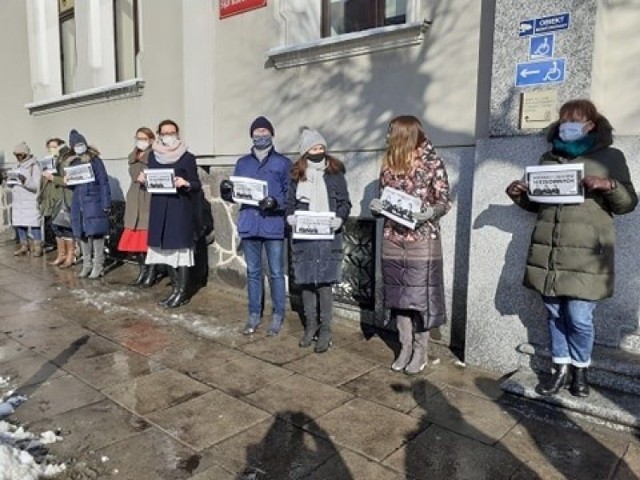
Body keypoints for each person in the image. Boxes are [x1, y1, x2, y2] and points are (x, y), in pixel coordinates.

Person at [506, 99, 637, 398]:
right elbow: (537, 204)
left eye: (575, 120)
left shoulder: (610, 156)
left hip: (586, 254)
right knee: (554, 313)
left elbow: (629, 203)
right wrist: (519, 194)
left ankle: (581, 369)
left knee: (579, 316)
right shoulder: (548, 158)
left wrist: (609, 185)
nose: (567, 126)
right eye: (564, 120)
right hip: (550, 251)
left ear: (591, 124)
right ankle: (560, 369)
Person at [370, 115, 451, 375]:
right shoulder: (388, 163)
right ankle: (404, 347)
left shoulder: (432, 162)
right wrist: (377, 208)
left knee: (420, 299)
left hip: (422, 240)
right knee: (399, 298)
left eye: (391, 131)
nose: (387, 136)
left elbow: (444, 200)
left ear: (405, 134)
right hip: (393, 238)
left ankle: (420, 350)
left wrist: (431, 212)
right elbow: (385, 198)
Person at [220, 116, 291, 335]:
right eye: (257, 131)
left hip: (273, 225)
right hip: (250, 223)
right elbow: (238, 193)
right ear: (251, 135)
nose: (261, 135)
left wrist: (276, 203)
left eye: (264, 131)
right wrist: (227, 193)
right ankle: (253, 313)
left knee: (277, 273)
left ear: (271, 134)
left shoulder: (282, 163)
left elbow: (290, 196)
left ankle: (278, 314)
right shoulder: (243, 163)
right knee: (253, 272)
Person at [286, 128, 351, 353]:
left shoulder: (335, 173)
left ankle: (325, 331)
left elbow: (345, 202)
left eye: (321, 147)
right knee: (306, 283)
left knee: (324, 284)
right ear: (305, 152)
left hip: (327, 237)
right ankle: (310, 327)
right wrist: (290, 217)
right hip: (304, 238)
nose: (318, 151)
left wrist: (340, 219)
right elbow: (289, 202)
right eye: (314, 148)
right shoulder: (296, 174)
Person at [140, 119, 201, 308]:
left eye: (172, 132)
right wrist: (144, 180)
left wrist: (186, 183)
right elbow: (152, 181)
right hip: (160, 208)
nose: (169, 136)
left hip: (179, 209)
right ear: (159, 135)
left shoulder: (187, 157)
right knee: (164, 251)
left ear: (178, 134)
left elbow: (196, 184)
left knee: (179, 250)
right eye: (165, 133)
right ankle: (174, 288)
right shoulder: (153, 157)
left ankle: (182, 292)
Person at [67, 129, 112, 279]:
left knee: (96, 233)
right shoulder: (72, 162)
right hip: (78, 202)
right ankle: (87, 264)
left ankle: (98, 264)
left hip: (93, 201)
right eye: (76, 144)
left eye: (81, 143)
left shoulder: (95, 160)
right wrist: (68, 182)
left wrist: (106, 203)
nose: (79, 146)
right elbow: (73, 185)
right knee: (81, 234)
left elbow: (103, 182)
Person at [118, 127, 155, 286]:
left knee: (147, 241)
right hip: (134, 198)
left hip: (148, 198)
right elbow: (134, 175)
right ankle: (142, 270)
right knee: (136, 242)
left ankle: (151, 273)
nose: (141, 141)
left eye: (144, 138)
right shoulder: (132, 157)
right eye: (138, 138)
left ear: (151, 140)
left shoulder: (155, 156)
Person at [37, 138, 71, 265]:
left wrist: (52, 177)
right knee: (56, 227)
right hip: (50, 198)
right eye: (49, 147)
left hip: (62, 198)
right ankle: (61, 254)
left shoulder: (64, 161)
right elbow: (43, 183)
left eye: (54, 146)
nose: (52, 149)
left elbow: (66, 180)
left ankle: (70, 256)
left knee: (66, 227)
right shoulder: (47, 161)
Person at [9, 142, 43, 257]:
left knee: (34, 224)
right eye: (16, 155)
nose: (18, 157)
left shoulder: (34, 166)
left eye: (20, 155)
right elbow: (12, 184)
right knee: (20, 224)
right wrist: (10, 181)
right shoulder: (16, 166)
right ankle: (24, 246)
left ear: (25, 154)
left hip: (30, 200)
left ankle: (38, 247)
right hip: (18, 201)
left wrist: (24, 182)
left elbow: (36, 186)